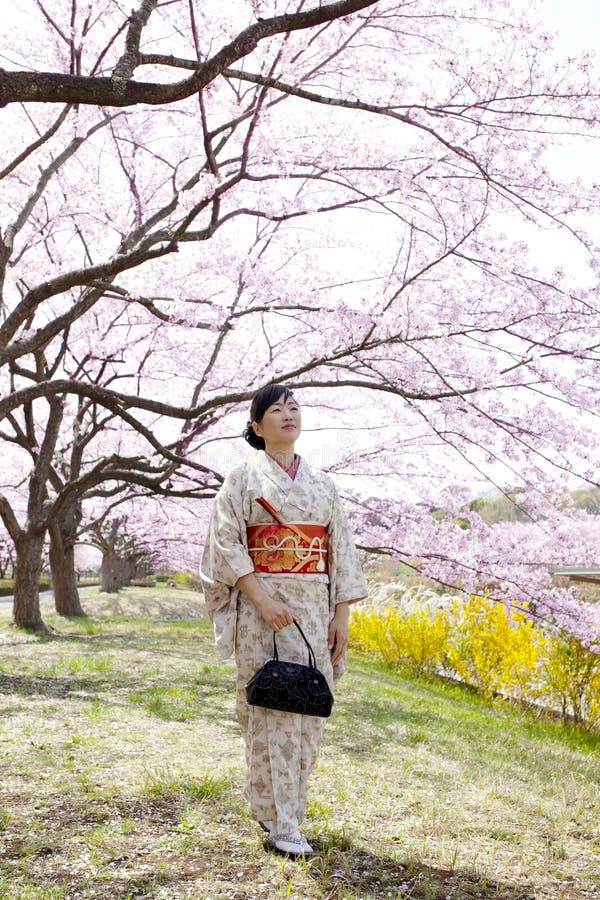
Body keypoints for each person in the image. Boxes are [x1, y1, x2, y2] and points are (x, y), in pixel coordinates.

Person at [200, 384, 367, 858]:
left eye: (294, 408)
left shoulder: (324, 485)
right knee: (269, 707)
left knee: (310, 705)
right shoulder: (241, 479)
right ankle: (280, 821)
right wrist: (260, 597)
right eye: (276, 409)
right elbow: (225, 544)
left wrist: (342, 616)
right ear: (257, 426)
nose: (288, 415)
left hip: (313, 610)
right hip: (261, 613)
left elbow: (341, 553)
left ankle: (286, 810)